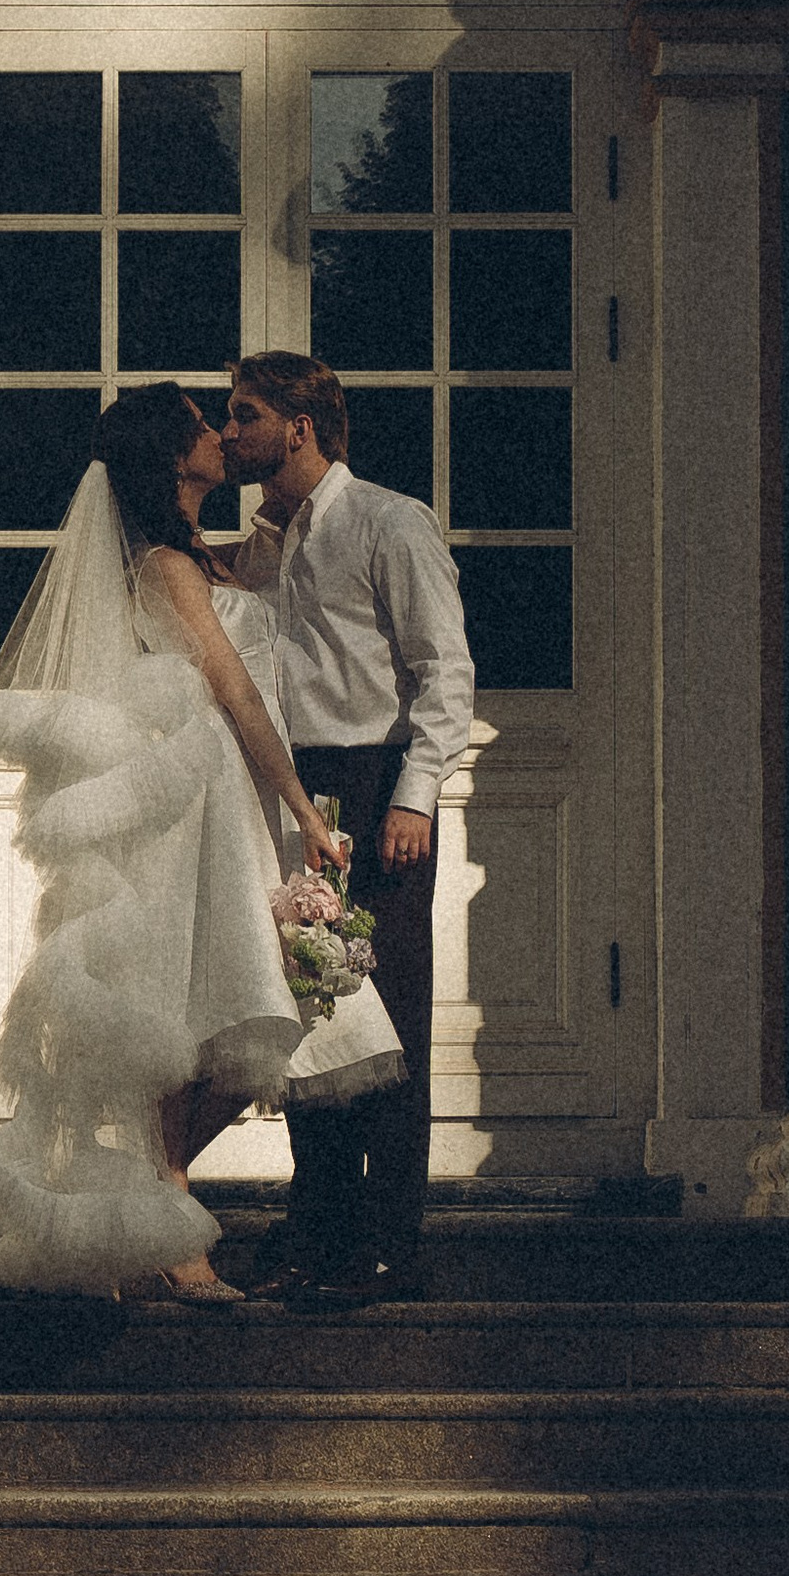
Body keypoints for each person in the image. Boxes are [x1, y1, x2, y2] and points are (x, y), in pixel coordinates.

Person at [0, 382, 350, 1301]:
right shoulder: (164, 567)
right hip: (194, 800)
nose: (220, 434)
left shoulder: (205, 557)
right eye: (206, 425)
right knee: (198, 1002)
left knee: (240, 1003)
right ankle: (169, 1217)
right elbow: (234, 692)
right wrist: (302, 804)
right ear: (175, 457)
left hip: (225, 796)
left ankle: (155, 1198)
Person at [220, 349, 475, 1307]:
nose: (232, 431)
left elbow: (444, 670)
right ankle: (316, 1233)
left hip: (378, 789)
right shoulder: (266, 544)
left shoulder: (388, 522)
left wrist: (415, 794)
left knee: (391, 1021)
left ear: (299, 423)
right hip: (300, 794)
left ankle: (389, 1247)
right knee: (314, 1025)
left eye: (245, 415)